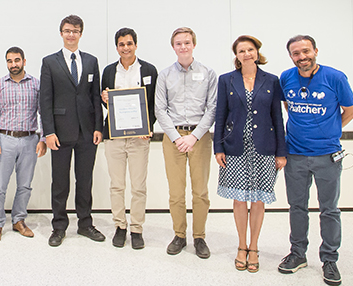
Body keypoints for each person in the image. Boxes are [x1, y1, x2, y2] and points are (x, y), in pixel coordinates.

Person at [277, 35, 353, 286]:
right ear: (291, 57)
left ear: (315, 51)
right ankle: (298, 254)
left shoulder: (335, 77)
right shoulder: (286, 77)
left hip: (327, 157)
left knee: (329, 209)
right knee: (297, 207)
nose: (302, 57)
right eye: (296, 54)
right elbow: (289, 106)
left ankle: (329, 260)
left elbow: (350, 111)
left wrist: (330, 130)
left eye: (306, 51)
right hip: (295, 155)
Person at [213, 35, 287, 272]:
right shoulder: (226, 80)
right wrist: (218, 148)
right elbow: (220, 115)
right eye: (241, 50)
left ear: (257, 52)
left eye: (250, 49)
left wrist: (281, 151)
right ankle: (241, 245)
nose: (246, 54)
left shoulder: (272, 81)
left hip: (264, 148)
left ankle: (254, 247)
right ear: (236, 55)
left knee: (258, 200)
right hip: (235, 148)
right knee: (239, 198)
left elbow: (278, 116)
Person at [40, 15, 105, 247]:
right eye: (67, 30)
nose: (71, 34)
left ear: (81, 34)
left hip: (88, 133)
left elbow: (95, 97)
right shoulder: (49, 62)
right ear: (61, 33)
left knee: (85, 180)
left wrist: (99, 127)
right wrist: (48, 132)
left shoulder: (90, 61)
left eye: (75, 31)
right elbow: (45, 100)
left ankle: (85, 223)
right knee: (60, 182)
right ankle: (58, 226)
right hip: (59, 133)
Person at [154, 27, 217, 258]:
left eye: (187, 43)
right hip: (173, 139)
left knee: (200, 192)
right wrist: (176, 137)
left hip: (199, 138)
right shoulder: (164, 75)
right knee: (176, 192)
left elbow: (212, 109)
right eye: (179, 43)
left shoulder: (208, 73)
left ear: (194, 45)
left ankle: (199, 237)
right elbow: (160, 109)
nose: (183, 47)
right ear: (173, 47)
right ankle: (179, 235)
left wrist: (194, 136)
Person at [100, 27, 158, 249]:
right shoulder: (108, 71)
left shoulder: (149, 70)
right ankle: (120, 226)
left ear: (135, 45)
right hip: (114, 137)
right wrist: (105, 97)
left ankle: (136, 228)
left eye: (129, 43)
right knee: (116, 185)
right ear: (117, 47)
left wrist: (148, 126)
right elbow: (104, 101)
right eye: (121, 44)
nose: (126, 48)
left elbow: (153, 104)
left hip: (139, 138)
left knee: (138, 186)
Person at [0, 46, 47, 243]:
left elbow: (43, 114)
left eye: (17, 60)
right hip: (5, 140)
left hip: (30, 140)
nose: (14, 64)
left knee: (25, 185)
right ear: (7, 63)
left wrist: (43, 139)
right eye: (10, 61)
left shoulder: (36, 85)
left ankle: (19, 220)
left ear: (24, 61)